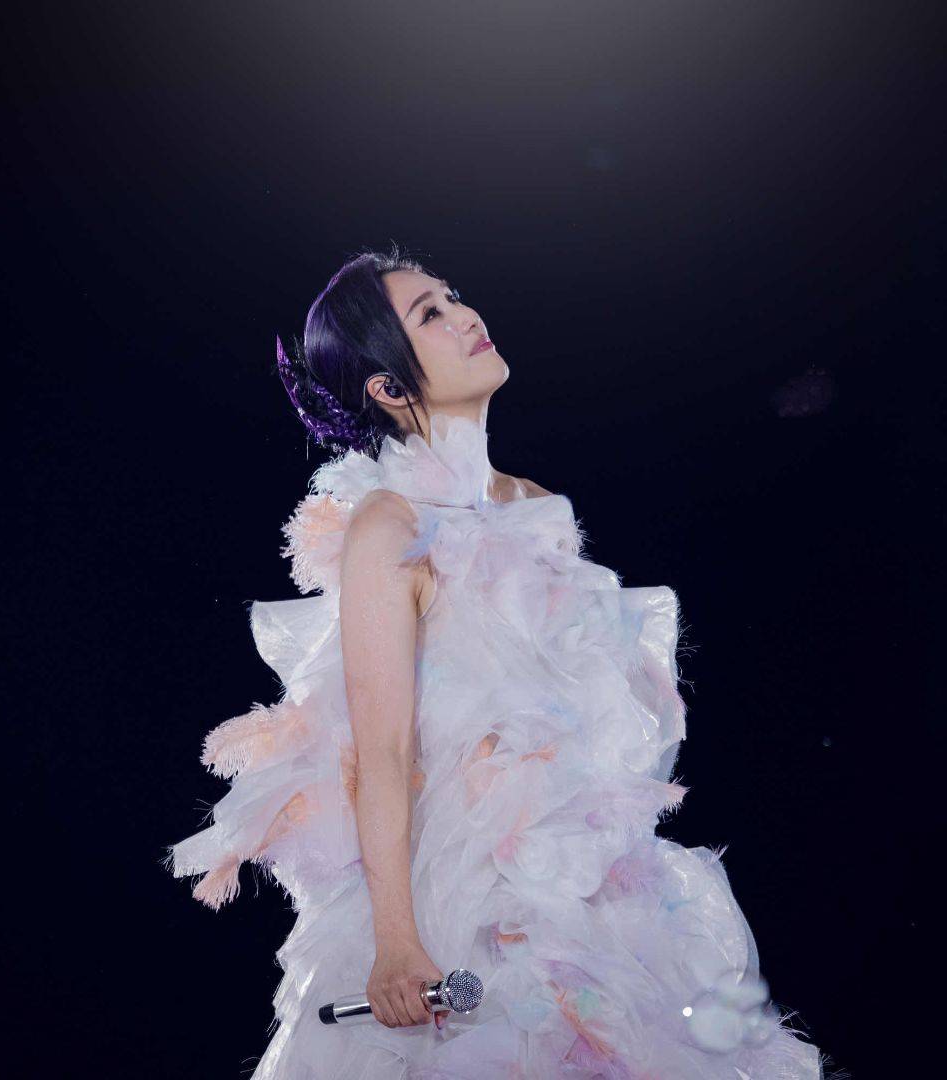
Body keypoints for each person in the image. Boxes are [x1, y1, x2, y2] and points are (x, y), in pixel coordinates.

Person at [163, 244, 826, 1078]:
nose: (465, 316)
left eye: (452, 296)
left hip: (581, 886)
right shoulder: (389, 526)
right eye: (429, 314)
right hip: (459, 900)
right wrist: (396, 942)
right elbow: (381, 751)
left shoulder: (537, 506)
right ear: (389, 388)